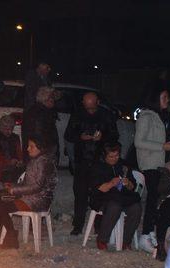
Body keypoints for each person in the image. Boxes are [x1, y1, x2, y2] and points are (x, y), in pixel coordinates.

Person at [65, 92, 119, 235]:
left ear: (97, 102)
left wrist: (103, 137)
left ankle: (98, 225)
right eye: (87, 107)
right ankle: (78, 225)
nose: (89, 110)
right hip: (82, 160)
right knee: (80, 193)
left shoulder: (106, 115)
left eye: (92, 107)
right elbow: (68, 135)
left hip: (99, 160)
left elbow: (115, 135)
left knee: (99, 193)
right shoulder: (77, 114)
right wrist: (80, 137)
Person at [0, 135, 57, 249]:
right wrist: (13, 186)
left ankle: (11, 237)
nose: (28, 149)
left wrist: (14, 190)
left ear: (40, 148)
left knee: (1, 206)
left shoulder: (43, 163)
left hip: (38, 200)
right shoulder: (35, 161)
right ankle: (6, 236)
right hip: (30, 197)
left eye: (31, 146)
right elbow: (27, 183)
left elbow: (37, 186)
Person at [135, 89, 170, 252]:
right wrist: (162, 146)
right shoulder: (146, 116)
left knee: (158, 197)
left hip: (160, 163)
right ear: (155, 98)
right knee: (153, 197)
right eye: (163, 97)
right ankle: (145, 235)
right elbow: (139, 142)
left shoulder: (164, 116)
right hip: (149, 162)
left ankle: (150, 231)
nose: (167, 99)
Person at [89, 141, 141, 251]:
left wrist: (127, 183)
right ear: (104, 156)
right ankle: (102, 239)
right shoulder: (98, 166)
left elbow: (132, 187)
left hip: (122, 197)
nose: (114, 158)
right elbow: (100, 188)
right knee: (114, 206)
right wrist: (112, 183)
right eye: (111, 156)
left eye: (117, 155)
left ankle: (126, 241)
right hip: (103, 198)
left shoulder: (123, 165)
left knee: (136, 208)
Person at [22, 86, 58, 161]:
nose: (53, 100)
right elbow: (38, 135)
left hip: (41, 152)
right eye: (51, 97)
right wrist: (46, 152)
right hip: (41, 153)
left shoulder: (43, 111)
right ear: (45, 99)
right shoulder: (39, 113)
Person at [0, 114, 23, 183]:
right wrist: (8, 162)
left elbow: (19, 153)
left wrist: (19, 161)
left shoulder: (15, 138)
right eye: (6, 129)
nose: (9, 131)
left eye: (11, 128)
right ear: (0, 127)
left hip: (13, 167)